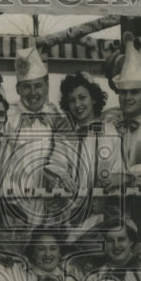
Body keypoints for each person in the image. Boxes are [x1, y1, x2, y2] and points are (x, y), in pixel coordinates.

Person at [102, 35, 141, 250]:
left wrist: (126, 176)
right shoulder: (108, 120)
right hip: (110, 217)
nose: (127, 97)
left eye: (135, 92)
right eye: (123, 92)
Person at [0, 46, 66, 227]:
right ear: (18, 89)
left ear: (47, 86)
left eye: (38, 86)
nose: (33, 93)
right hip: (14, 203)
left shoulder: (56, 117)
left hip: (48, 203)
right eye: (27, 87)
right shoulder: (6, 116)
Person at [49, 71, 123, 225]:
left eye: (82, 98)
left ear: (94, 99)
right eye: (71, 100)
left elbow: (117, 168)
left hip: (103, 214)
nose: (77, 105)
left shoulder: (109, 131)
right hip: (71, 214)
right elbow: (56, 164)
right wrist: (61, 177)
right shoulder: (65, 135)